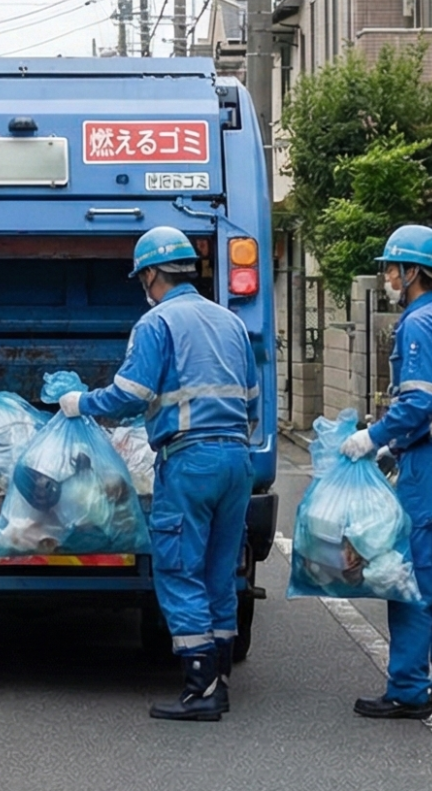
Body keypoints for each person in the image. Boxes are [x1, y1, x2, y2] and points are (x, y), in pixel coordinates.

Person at [57, 226, 260, 722]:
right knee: (219, 572)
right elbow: (253, 400)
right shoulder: (230, 321)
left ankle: (199, 689)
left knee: (179, 568)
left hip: (190, 462)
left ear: (151, 275)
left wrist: (80, 403)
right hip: (237, 459)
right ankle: (219, 681)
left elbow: (131, 395)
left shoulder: (157, 323)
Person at [339, 223, 432, 720]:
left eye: (391, 269)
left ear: (412, 271)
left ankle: (406, 690)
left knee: (411, 579)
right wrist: (392, 447)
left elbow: (421, 401)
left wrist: (373, 437)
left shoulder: (418, 323)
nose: (387, 278)